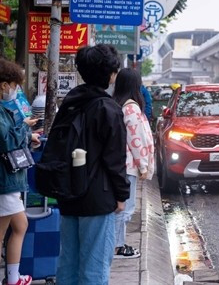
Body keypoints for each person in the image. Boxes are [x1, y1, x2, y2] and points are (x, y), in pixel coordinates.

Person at [54, 44, 130, 284]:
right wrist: (122, 195)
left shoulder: (69, 102)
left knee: (68, 264)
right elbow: (115, 159)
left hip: (68, 193)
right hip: (98, 197)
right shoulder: (109, 108)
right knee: (94, 268)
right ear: (109, 74)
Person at [112, 69, 155, 259]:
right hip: (129, 165)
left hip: (121, 164)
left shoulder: (118, 104)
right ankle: (116, 247)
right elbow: (136, 139)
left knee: (121, 208)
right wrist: (143, 166)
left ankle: (117, 244)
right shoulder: (132, 108)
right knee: (125, 209)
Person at [0, 60, 33, 285]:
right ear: (4, 86)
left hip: (9, 180)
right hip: (4, 180)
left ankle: (13, 277)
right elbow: (7, 140)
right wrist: (25, 128)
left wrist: (29, 136)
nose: (15, 91)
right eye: (13, 85)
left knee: (20, 225)